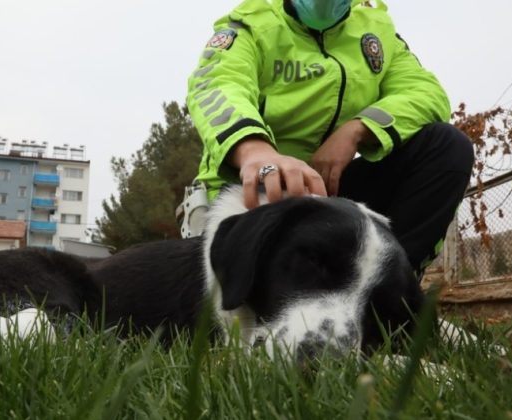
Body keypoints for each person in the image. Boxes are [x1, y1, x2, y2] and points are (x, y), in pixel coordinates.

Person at [186, 0, 474, 277]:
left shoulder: (377, 32)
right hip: (251, 190)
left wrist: (358, 130)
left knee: (447, 146)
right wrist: (255, 151)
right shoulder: (251, 24)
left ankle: (392, 290)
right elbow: (215, 84)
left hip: (330, 192)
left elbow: (427, 94)